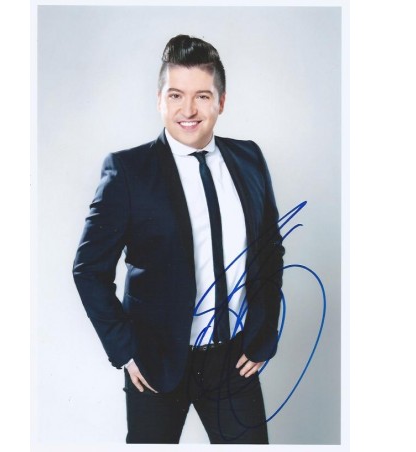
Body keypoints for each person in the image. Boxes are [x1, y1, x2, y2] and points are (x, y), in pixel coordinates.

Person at [73, 34, 285, 444]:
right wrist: (124, 349)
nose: (188, 110)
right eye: (175, 96)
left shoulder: (249, 158)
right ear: (160, 101)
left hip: (233, 360)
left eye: (202, 96)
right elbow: (88, 270)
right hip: (156, 360)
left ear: (221, 101)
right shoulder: (128, 171)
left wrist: (263, 334)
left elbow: (269, 250)